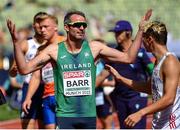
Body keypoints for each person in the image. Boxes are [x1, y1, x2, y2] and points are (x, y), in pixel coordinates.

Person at [7, 9, 152, 129]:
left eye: (84, 24)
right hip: (65, 116)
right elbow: (25, 69)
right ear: (67, 27)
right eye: (77, 24)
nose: (81, 27)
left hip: (88, 116)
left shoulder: (95, 48)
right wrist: (15, 43)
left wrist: (140, 31)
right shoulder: (54, 51)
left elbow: (128, 58)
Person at [105, 21, 180, 129]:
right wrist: (120, 78)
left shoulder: (170, 61)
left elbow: (169, 98)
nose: (141, 43)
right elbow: (149, 88)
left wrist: (140, 113)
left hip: (172, 125)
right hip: (160, 124)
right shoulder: (158, 61)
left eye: (142, 39)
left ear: (149, 39)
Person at [107, 20, 154, 129]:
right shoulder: (114, 53)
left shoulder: (141, 52)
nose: (116, 35)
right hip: (120, 98)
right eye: (115, 33)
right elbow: (103, 74)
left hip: (137, 97)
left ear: (128, 33)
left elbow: (152, 70)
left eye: (119, 32)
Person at [22, 14, 65, 129]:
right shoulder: (41, 50)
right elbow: (36, 76)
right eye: (40, 27)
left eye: (45, 27)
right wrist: (28, 97)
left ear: (55, 27)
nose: (42, 30)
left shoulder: (66, 43)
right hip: (47, 97)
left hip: (64, 97)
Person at [8, 12, 49, 129]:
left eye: (44, 24)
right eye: (38, 23)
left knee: (46, 125)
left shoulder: (53, 45)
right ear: (33, 25)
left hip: (47, 88)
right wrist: (14, 70)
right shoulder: (26, 44)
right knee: (27, 125)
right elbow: (12, 72)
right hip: (29, 88)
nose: (41, 27)